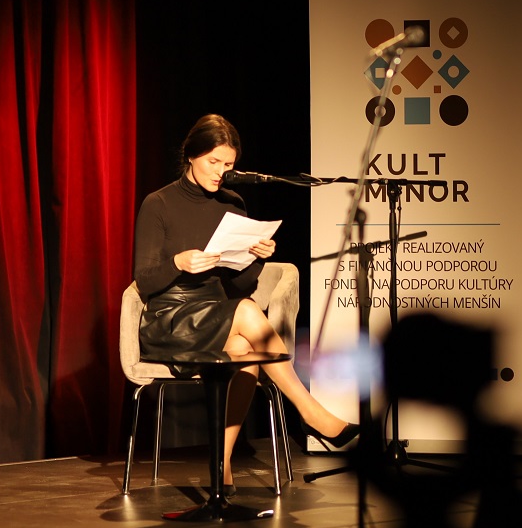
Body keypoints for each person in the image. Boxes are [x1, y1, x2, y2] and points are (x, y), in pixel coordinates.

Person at [133, 113, 357, 493]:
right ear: (191, 155)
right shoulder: (159, 203)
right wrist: (178, 263)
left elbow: (240, 283)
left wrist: (256, 258)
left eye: (229, 164)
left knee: (245, 356)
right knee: (248, 311)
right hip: (171, 318)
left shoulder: (232, 203)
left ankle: (220, 465)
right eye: (213, 162)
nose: (221, 172)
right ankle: (311, 412)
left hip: (215, 312)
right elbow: (145, 280)